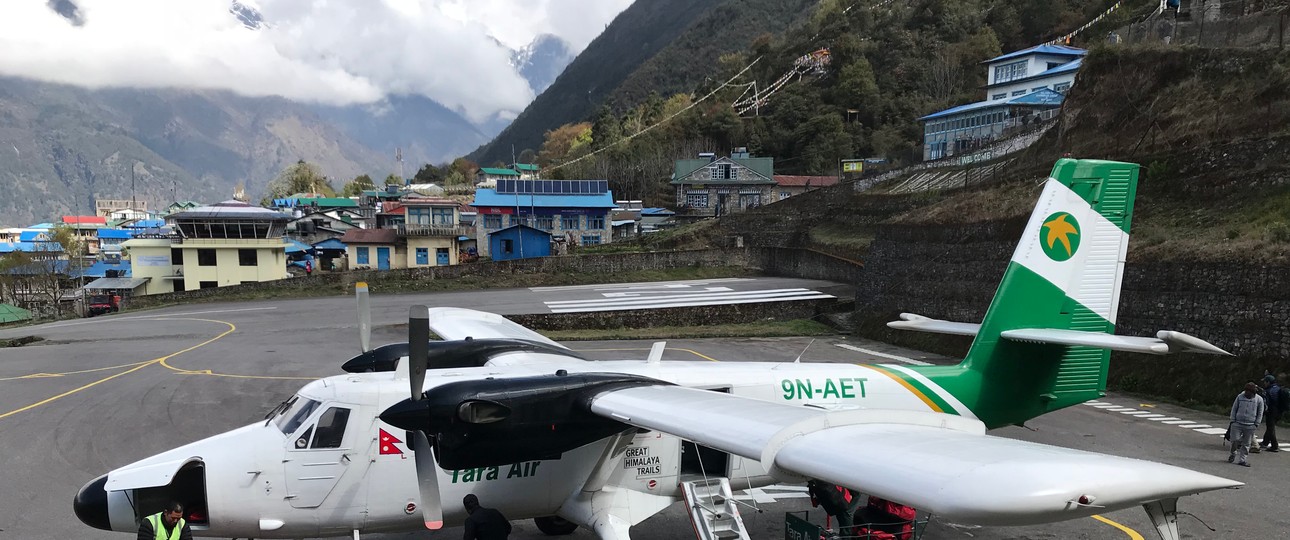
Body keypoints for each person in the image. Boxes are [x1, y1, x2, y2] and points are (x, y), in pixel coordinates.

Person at [1229, 382, 1265, 467]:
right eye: (1246, 391)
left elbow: (1260, 412)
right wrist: (1232, 420)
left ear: (1253, 392)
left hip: (1250, 425)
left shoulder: (1259, 399)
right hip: (1237, 423)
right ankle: (1233, 453)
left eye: (1249, 392)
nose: (1247, 393)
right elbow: (1234, 408)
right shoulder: (1239, 397)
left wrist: (1256, 423)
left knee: (1246, 443)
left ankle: (1242, 459)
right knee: (1234, 440)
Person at [1260, 374, 1288, 452]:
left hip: (1271, 411)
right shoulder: (1278, 388)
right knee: (1270, 427)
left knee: (1270, 428)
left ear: (1268, 382)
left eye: (1265, 382)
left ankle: (1274, 446)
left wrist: (1263, 412)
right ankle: (1265, 442)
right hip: (1279, 411)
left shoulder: (1268, 391)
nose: (1264, 383)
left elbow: (1266, 403)